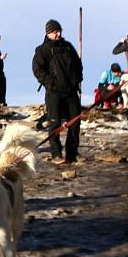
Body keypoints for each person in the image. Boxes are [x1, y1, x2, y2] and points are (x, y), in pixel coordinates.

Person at [32, 19, 83, 164]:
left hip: (71, 91)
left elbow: (78, 64)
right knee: (54, 123)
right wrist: (50, 82)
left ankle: (72, 154)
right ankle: (56, 154)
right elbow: (37, 69)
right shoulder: (43, 50)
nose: (58, 34)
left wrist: (77, 79)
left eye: (59, 31)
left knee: (75, 122)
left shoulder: (68, 47)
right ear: (48, 33)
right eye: (55, 32)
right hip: (54, 92)